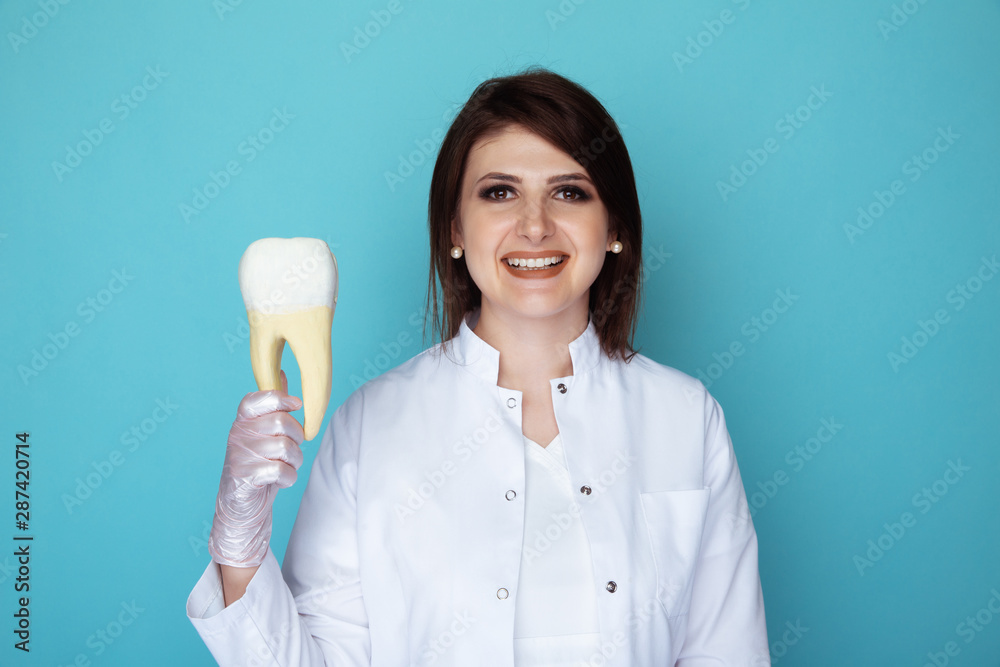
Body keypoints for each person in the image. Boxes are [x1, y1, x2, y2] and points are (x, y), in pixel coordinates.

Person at [186, 67, 770, 666]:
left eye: (570, 191)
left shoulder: (685, 417)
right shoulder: (372, 423)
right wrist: (239, 541)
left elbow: (729, 652)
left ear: (615, 227)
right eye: (499, 192)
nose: (535, 225)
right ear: (454, 230)